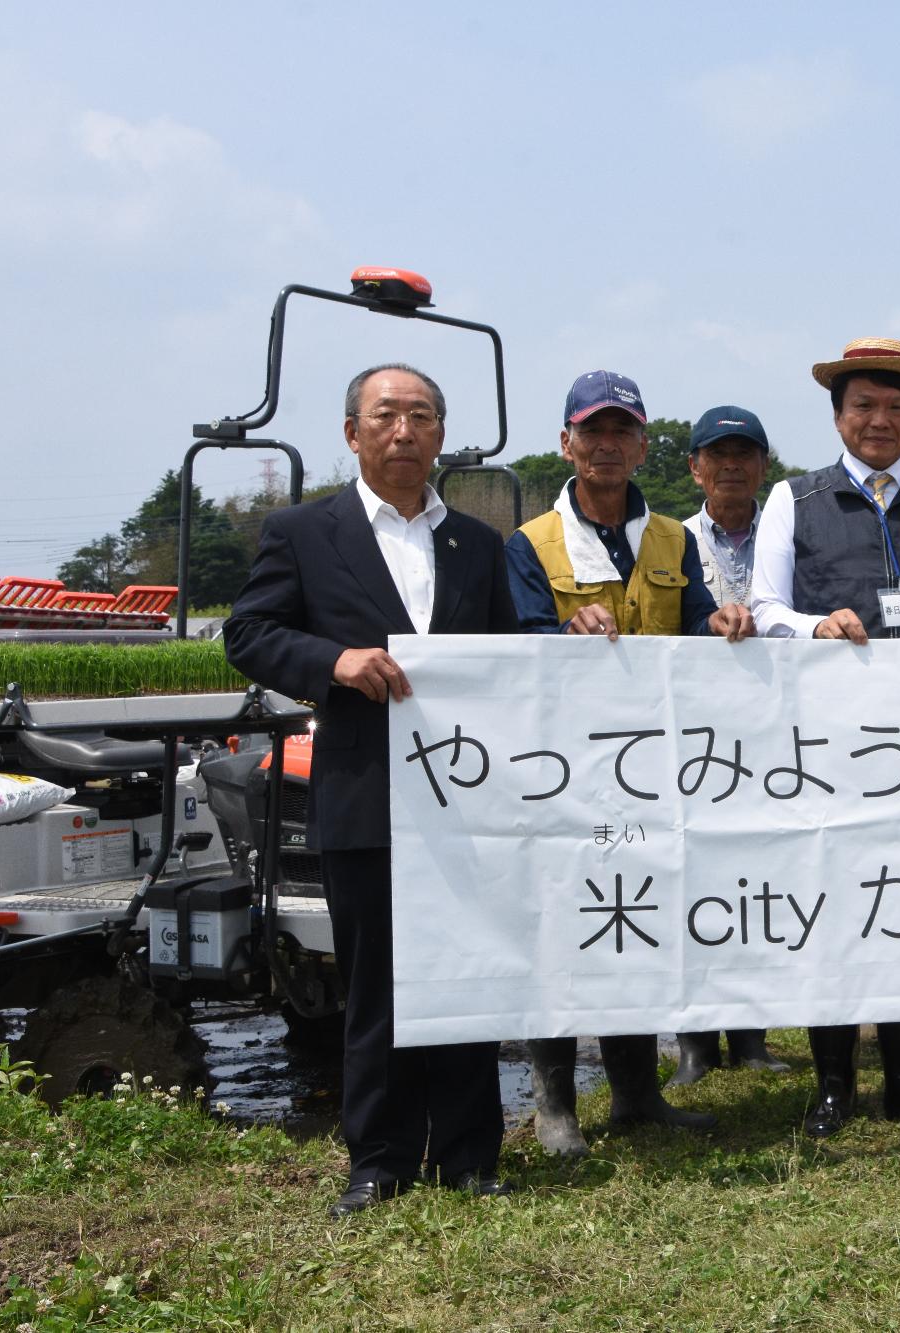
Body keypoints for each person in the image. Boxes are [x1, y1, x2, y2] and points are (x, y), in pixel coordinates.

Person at [225, 363, 517, 1217]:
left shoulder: (477, 542)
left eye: (422, 416)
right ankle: (379, 1159)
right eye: (386, 415)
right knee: (377, 983)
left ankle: (470, 1153)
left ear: (440, 435)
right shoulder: (304, 531)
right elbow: (248, 632)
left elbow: (509, 657)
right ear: (352, 433)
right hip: (362, 790)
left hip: (467, 797)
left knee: (467, 973)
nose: (404, 431)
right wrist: (333, 662)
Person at [747, 335, 900, 1137]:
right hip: (827, 742)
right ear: (837, 415)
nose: (879, 420)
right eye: (864, 406)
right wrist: (815, 623)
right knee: (832, 902)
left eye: (896, 408)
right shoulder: (795, 499)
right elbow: (761, 611)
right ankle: (832, 1083)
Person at [503, 369, 754, 1152]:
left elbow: (692, 628)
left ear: (645, 444)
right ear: (566, 443)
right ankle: (555, 1104)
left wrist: (725, 623)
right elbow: (512, 641)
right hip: (563, 773)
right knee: (560, 931)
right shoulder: (530, 543)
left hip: (653, 773)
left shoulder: (674, 537)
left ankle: (638, 1095)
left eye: (622, 431)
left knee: (636, 923)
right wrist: (558, 634)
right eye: (592, 430)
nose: (607, 444)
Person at [669, 403, 791, 1087]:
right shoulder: (671, 540)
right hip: (695, 737)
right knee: (694, 880)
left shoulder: (788, 537)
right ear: (694, 468)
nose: (733, 465)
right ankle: (693, 1041)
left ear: (764, 467)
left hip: (775, 738)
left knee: (758, 883)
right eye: (718, 454)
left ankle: (751, 1034)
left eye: (746, 453)